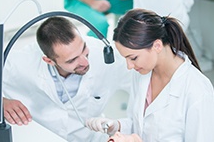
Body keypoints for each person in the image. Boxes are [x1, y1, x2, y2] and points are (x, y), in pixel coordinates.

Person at [86, 8, 214, 141]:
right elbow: (138, 124)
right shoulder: (142, 73)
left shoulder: (198, 91)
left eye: (133, 58)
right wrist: (116, 126)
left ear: (157, 46)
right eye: (126, 59)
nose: (129, 66)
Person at [2, 16, 132, 142]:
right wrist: (1, 102)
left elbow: (143, 80)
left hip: (90, 138)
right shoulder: (21, 62)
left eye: (84, 49)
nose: (85, 62)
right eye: (72, 60)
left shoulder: (105, 56)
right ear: (49, 61)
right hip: (41, 137)